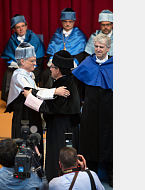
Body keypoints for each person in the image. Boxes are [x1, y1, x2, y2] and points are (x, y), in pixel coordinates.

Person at [5, 42, 70, 167]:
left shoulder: (28, 75)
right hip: (24, 119)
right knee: (26, 148)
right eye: (32, 61)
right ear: (22, 61)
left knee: (36, 144)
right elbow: (34, 93)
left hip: (32, 115)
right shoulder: (18, 76)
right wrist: (55, 91)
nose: (36, 63)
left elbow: (36, 91)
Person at [22, 50, 81, 182]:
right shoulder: (69, 79)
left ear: (58, 70)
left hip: (62, 128)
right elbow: (51, 95)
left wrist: (29, 97)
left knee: (59, 158)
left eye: (52, 66)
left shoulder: (64, 86)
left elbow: (49, 108)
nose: (50, 68)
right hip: (67, 126)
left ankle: (57, 183)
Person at [72, 33, 113, 187]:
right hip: (90, 111)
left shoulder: (114, 64)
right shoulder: (87, 63)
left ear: (108, 48)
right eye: (96, 46)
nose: (98, 49)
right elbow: (80, 87)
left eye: (101, 47)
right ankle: (91, 175)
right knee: (90, 142)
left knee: (110, 141)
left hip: (110, 112)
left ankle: (112, 175)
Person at [1, 14, 46, 102]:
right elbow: (7, 57)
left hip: (32, 66)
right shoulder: (12, 40)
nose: (21, 29)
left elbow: (39, 58)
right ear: (14, 29)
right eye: (18, 27)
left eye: (23, 26)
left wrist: (31, 66)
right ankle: (10, 100)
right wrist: (12, 63)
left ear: (26, 26)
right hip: (17, 67)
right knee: (8, 74)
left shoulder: (34, 38)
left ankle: (30, 99)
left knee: (29, 75)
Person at [41, 7, 87, 88]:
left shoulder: (79, 36)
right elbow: (50, 53)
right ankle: (50, 96)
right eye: (65, 21)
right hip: (56, 65)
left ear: (74, 21)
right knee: (46, 73)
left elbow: (80, 55)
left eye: (70, 21)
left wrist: (71, 64)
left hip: (71, 66)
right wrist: (52, 61)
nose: (68, 24)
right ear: (61, 22)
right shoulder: (57, 35)